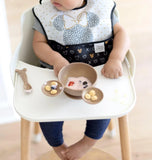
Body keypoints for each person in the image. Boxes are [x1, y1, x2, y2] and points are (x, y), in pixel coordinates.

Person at [32, 0, 129, 159]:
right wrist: (55, 59)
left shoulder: (101, 6)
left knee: (104, 108)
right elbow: (38, 43)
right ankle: (57, 146)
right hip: (58, 75)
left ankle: (88, 142)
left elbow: (122, 34)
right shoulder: (45, 11)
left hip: (99, 74)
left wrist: (116, 58)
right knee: (45, 110)